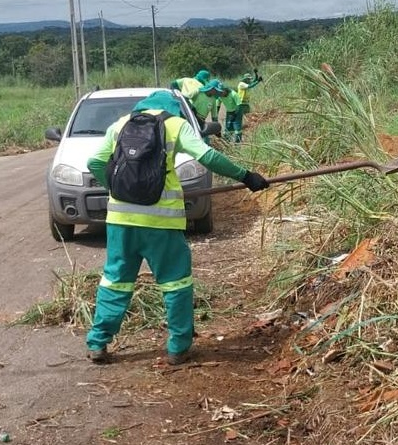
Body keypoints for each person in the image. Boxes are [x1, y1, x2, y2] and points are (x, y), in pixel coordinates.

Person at [84, 90, 269, 365]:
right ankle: (178, 346)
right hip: (161, 223)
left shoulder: (121, 124)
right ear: (173, 108)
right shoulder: (174, 123)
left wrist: (118, 188)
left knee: (115, 280)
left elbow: (95, 162)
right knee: (176, 283)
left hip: (120, 221)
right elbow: (208, 157)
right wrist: (245, 176)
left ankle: (98, 342)